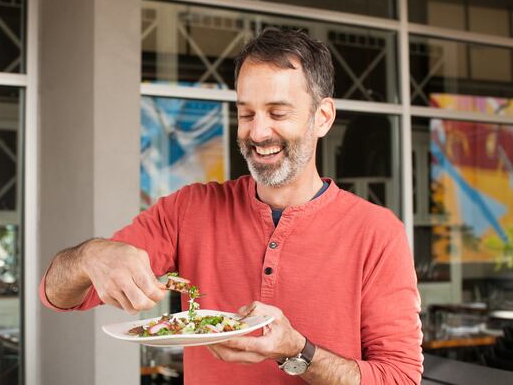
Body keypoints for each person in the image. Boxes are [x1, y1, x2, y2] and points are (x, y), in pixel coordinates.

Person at [40, 27, 423, 385]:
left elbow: (401, 378)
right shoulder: (189, 209)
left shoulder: (377, 232)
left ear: (321, 117)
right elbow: (56, 296)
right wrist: (90, 256)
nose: (257, 132)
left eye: (277, 113)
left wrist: (298, 351)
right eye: (246, 113)